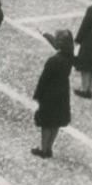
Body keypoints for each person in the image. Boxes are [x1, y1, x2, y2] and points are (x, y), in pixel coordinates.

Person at [31, 30, 74, 159]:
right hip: (62, 93)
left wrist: (37, 95)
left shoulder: (53, 60)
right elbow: (56, 44)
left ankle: (43, 149)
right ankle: (49, 148)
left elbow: (44, 79)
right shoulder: (70, 57)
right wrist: (46, 35)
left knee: (46, 122)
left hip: (50, 93)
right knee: (56, 122)